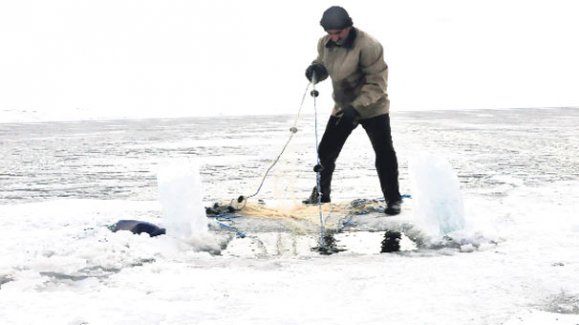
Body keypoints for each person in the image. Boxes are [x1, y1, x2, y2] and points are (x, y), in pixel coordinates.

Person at [303, 6, 402, 216]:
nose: (334, 37)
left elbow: (377, 83)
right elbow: (322, 62)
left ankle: (393, 200)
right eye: (330, 33)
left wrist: (356, 108)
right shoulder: (325, 42)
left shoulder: (369, 45)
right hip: (342, 107)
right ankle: (322, 195)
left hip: (373, 108)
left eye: (338, 32)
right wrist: (316, 70)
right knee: (325, 153)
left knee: (384, 153)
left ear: (349, 26)